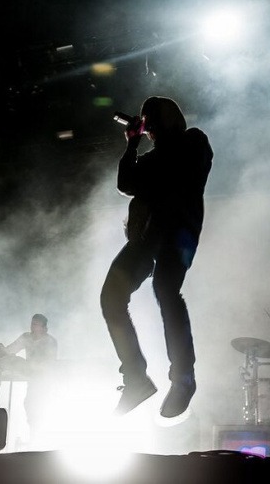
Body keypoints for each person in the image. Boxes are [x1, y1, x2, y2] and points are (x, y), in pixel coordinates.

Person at [100, 96, 213, 418]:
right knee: (111, 297)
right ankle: (136, 378)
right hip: (145, 239)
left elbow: (173, 168)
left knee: (165, 289)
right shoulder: (149, 157)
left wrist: (146, 144)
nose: (145, 125)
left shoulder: (194, 141)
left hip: (177, 232)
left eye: (149, 119)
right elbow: (126, 184)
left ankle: (183, 378)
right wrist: (131, 146)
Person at [4, 314, 58, 437]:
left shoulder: (50, 341)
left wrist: (27, 365)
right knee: (29, 404)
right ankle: (34, 433)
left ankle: (38, 435)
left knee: (37, 405)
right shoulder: (26, 337)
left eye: (35, 325)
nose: (32, 327)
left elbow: (49, 363)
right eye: (32, 324)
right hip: (32, 379)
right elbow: (10, 350)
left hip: (45, 380)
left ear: (44, 328)